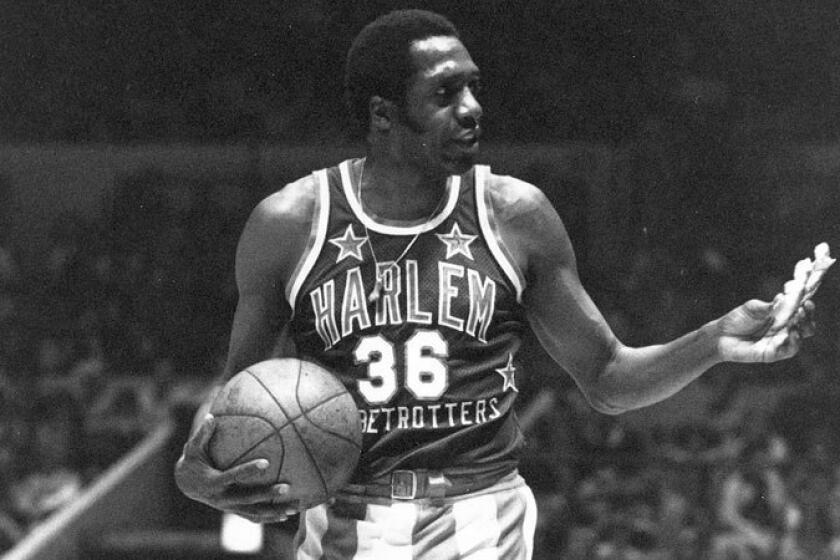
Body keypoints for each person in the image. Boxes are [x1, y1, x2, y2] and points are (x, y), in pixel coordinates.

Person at [175, 9, 817, 559]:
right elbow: (236, 390)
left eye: (474, 88)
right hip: (343, 525)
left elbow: (608, 378)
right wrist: (195, 466)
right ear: (384, 115)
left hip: (483, 518)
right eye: (446, 93)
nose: (473, 109)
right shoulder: (289, 224)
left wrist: (715, 338)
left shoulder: (516, 215)